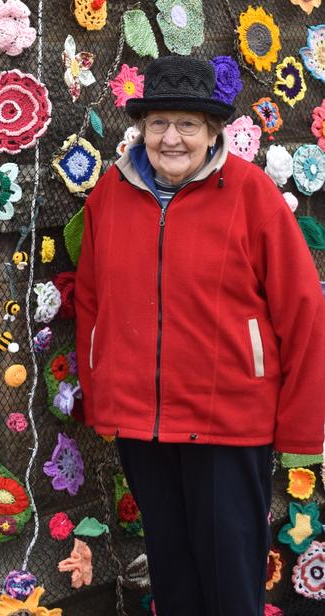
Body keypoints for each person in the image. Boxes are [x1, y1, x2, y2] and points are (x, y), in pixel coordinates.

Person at [74, 55, 325, 616]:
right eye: (159, 122)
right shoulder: (110, 195)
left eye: (188, 124)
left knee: (230, 579)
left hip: (228, 424)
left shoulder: (251, 194)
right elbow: (92, 303)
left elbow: (303, 307)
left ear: (213, 131)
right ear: (142, 129)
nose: (171, 138)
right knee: (172, 571)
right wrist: (103, 390)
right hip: (144, 423)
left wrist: (302, 423)